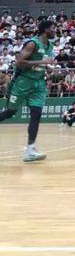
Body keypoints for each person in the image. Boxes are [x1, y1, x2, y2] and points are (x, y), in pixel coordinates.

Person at [0, 20, 57, 162]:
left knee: (36, 115)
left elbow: (42, 62)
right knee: (10, 112)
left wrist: (48, 68)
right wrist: (42, 63)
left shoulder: (50, 46)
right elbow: (19, 62)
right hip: (23, 82)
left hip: (39, 84)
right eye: (53, 28)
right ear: (45, 29)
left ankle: (30, 150)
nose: (55, 30)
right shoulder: (32, 43)